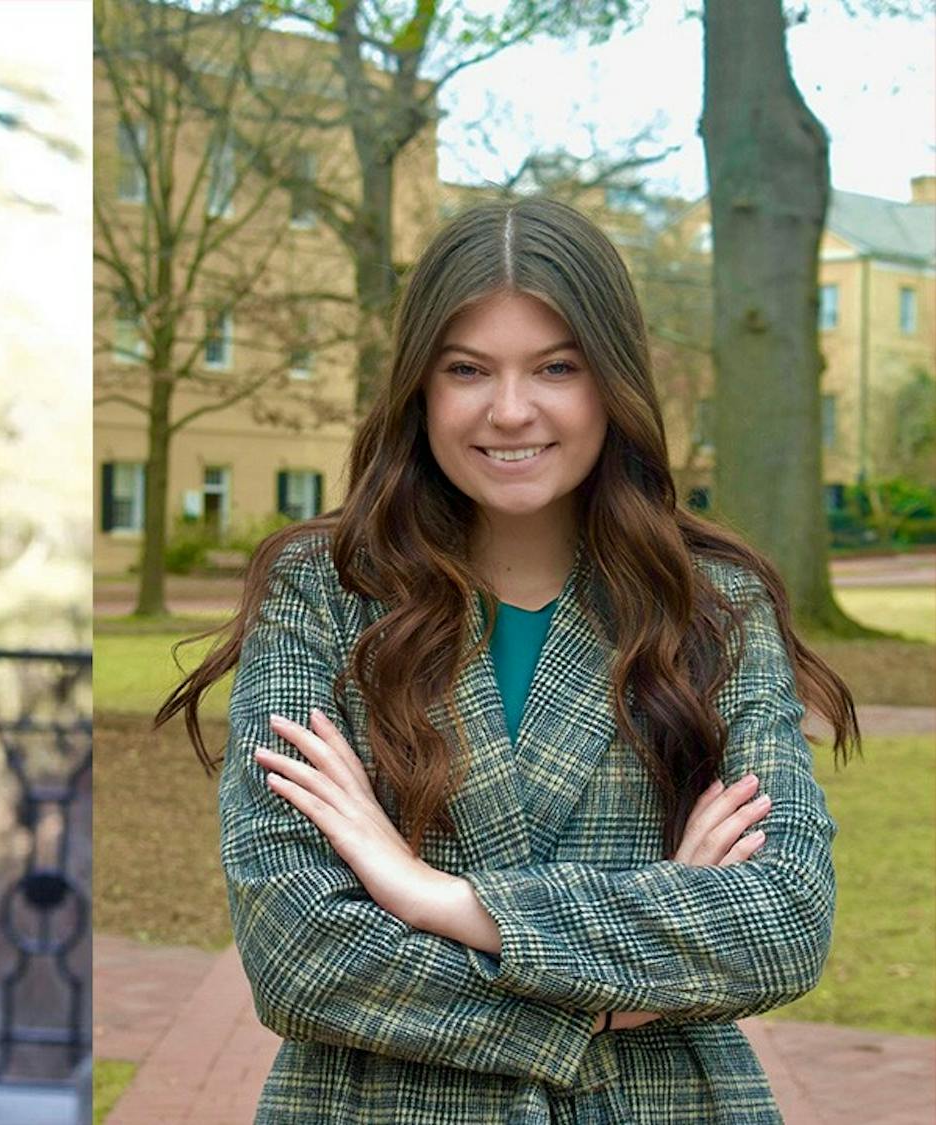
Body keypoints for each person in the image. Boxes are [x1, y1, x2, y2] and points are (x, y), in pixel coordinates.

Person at [159, 198, 858, 1123]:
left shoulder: (714, 606)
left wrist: (436, 895)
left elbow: (783, 923)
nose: (512, 409)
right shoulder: (321, 593)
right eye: (468, 370)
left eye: (556, 367)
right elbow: (300, 956)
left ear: (612, 380)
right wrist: (617, 996)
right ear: (420, 386)